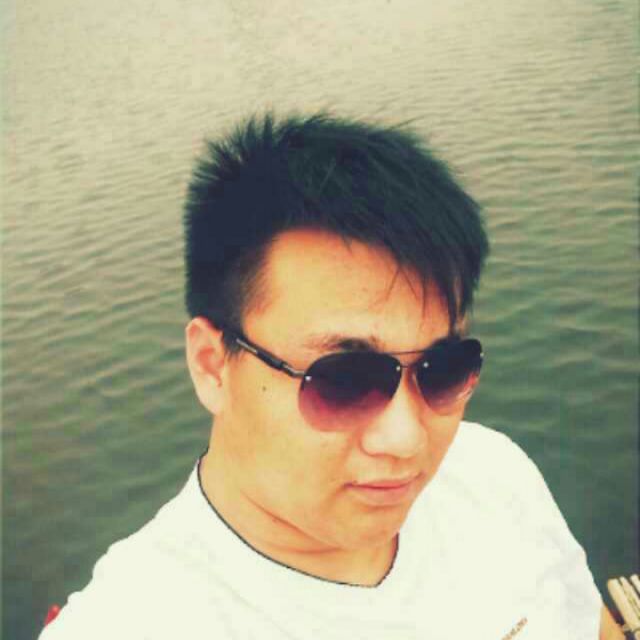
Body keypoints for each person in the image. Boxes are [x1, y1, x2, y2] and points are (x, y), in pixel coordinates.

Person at [40, 113, 621, 639]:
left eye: (443, 369)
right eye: (344, 378)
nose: (406, 440)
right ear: (213, 365)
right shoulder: (128, 623)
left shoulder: (491, 472)